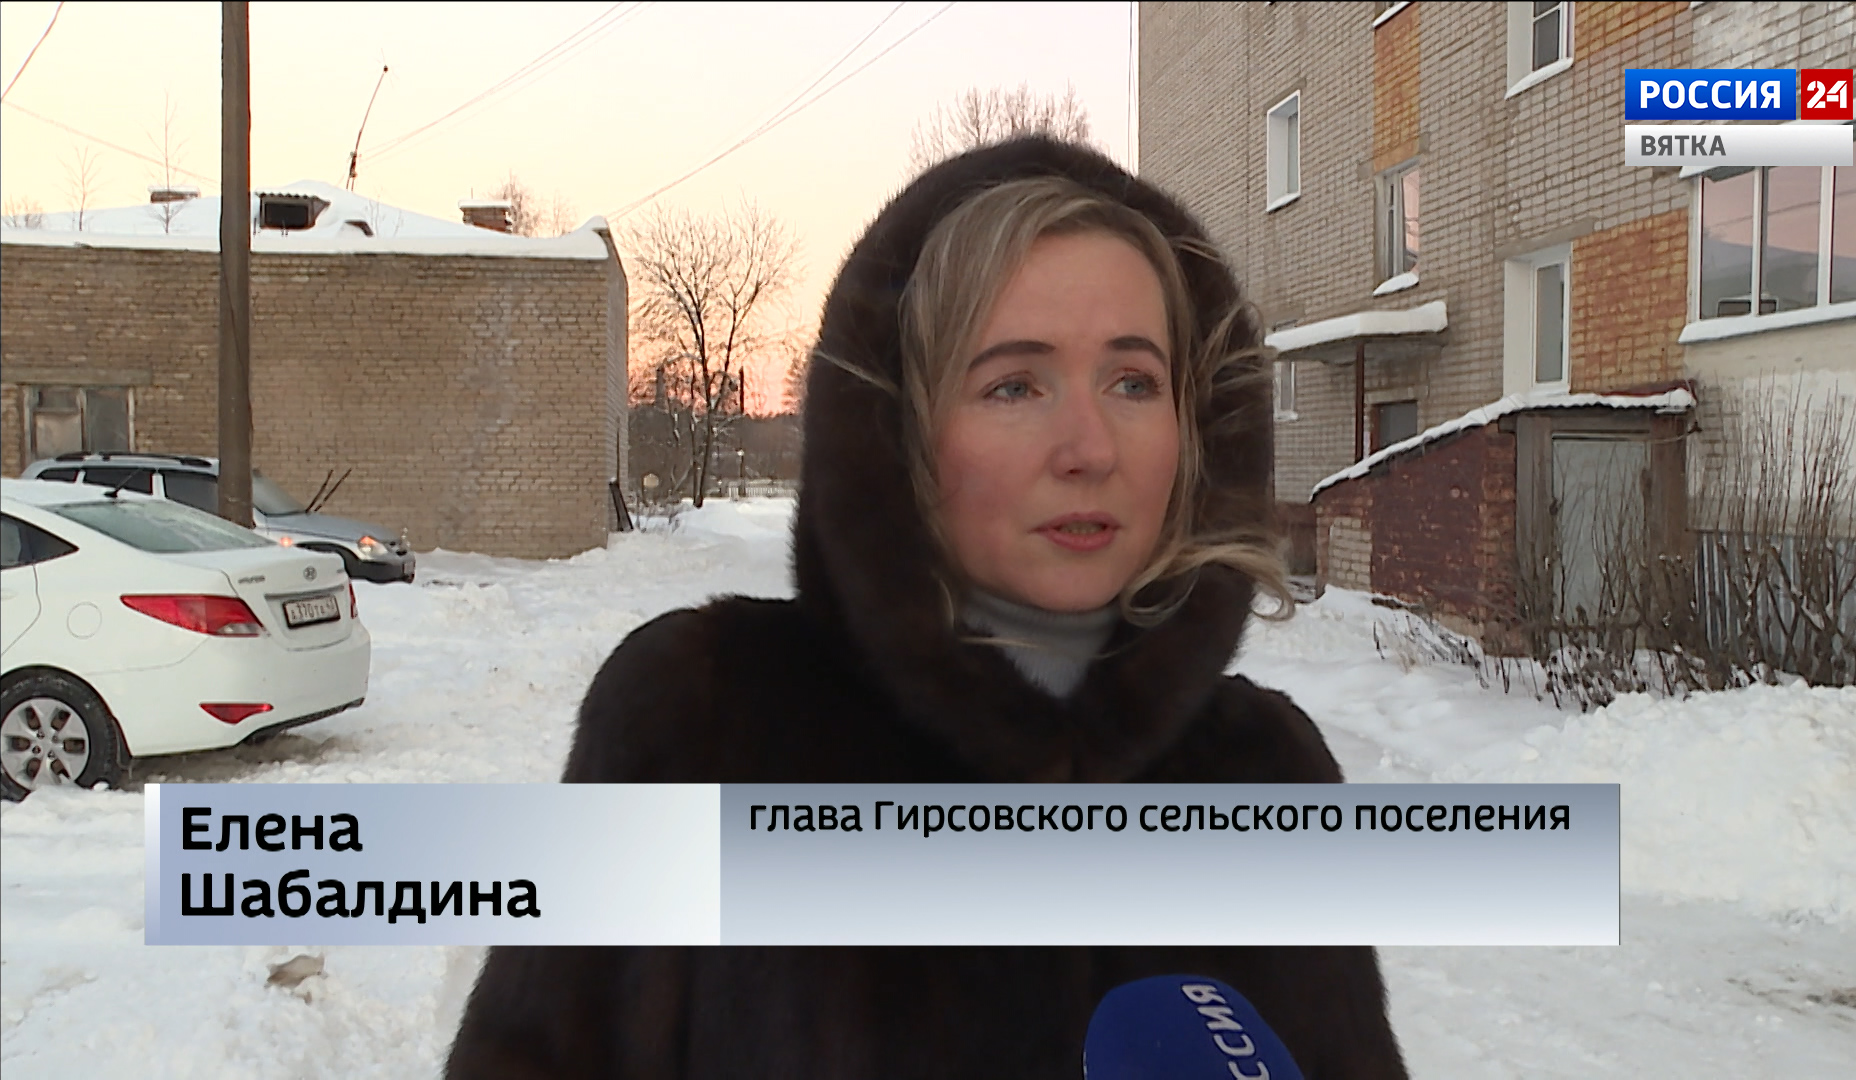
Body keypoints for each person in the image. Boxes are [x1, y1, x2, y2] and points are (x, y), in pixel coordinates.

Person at [444, 136, 1408, 1079]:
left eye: (1133, 381)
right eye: (1015, 385)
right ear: (902, 430)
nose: (1090, 447)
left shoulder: (1269, 775)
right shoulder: (701, 721)